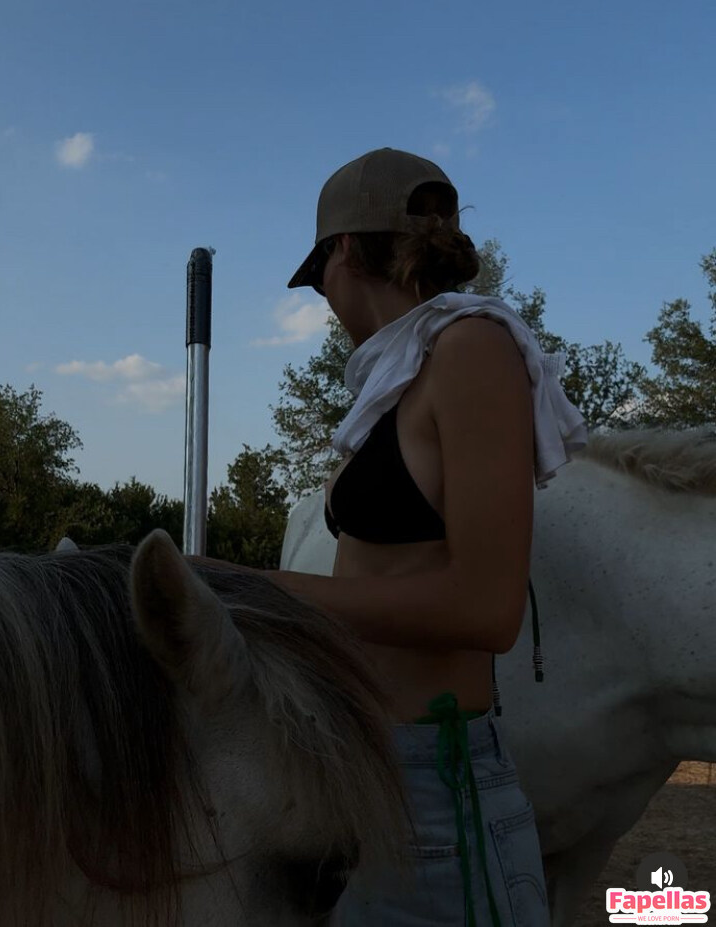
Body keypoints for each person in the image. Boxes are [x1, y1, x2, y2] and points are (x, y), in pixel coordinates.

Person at [256, 148, 586, 924]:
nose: (325, 302)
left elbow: (488, 608)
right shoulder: (399, 376)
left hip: (437, 798)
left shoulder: (471, 349)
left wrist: (262, 592)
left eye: (319, 282)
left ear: (342, 252)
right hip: (369, 774)